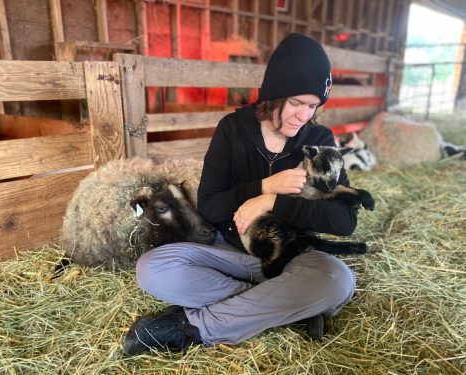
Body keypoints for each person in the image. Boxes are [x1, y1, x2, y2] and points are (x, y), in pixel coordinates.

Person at [123, 33, 358, 355]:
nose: (303, 115)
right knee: (152, 268)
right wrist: (264, 187)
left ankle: (191, 328)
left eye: (313, 106)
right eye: (296, 103)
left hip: (290, 257)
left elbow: (344, 221)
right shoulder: (232, 129)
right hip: (228, 252)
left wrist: (274, 201)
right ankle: (287, 306)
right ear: (274, 95)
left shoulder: (319, 139)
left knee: (338, 279)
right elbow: (210, 206)